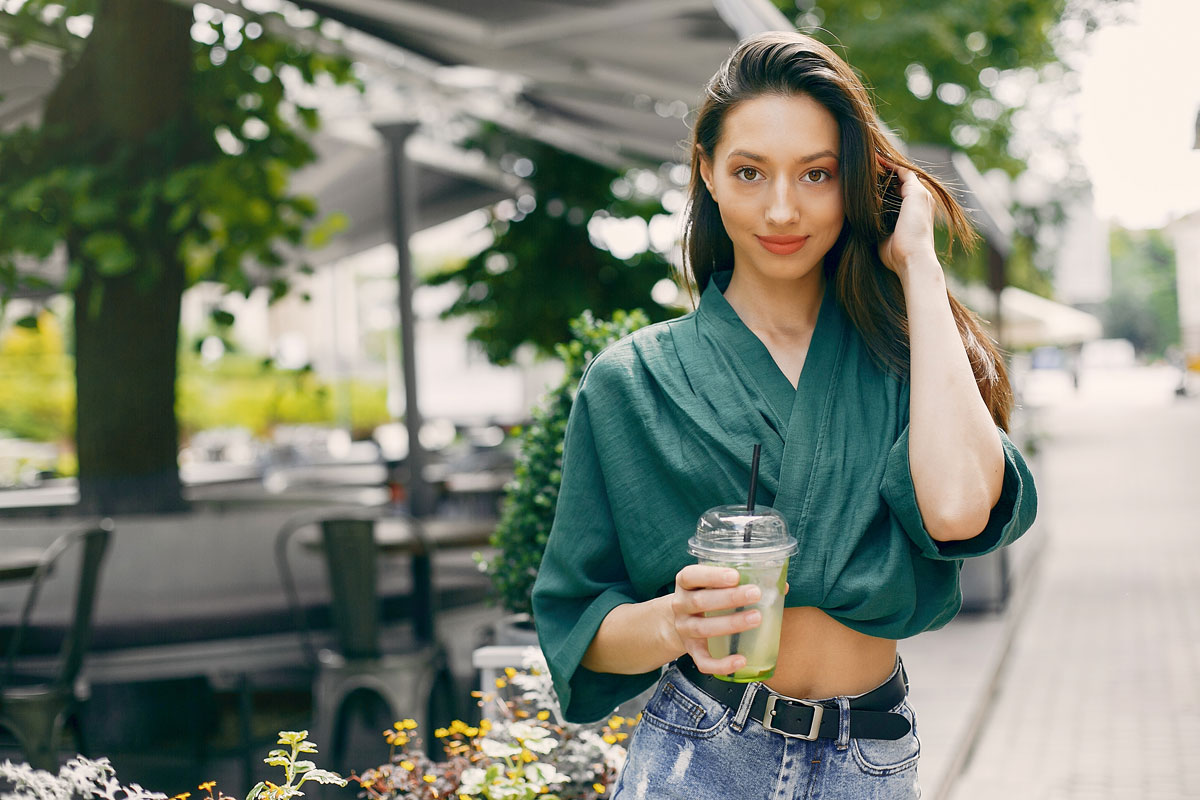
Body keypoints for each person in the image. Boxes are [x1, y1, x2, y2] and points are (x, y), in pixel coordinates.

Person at [531, 30, 1037, 799]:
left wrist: (920, 266)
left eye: (817, 174)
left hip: (869, 757)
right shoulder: (631, 381)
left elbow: (962, 511)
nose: (780, 208)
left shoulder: (908, 360)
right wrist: (676, 622)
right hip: (699, 751)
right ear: (706, 172)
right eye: (748, 172)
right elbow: (578, 625)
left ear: (857, 182)